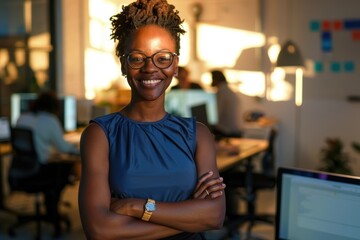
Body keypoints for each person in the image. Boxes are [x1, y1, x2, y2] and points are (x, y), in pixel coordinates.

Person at [78, 0, 226, 239]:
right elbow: (99, 230)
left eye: (163, 58)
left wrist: (135, 207)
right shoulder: (100, 135)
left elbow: (215, 215)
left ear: (175, 65)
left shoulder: (197, 134)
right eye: (137, 58)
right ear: (124, 64)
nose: (150, 68)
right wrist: (192, 217)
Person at [16, 90, 79, 236]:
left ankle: (50, 208)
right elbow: (63, 147)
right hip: (41, 171)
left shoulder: (22, 118)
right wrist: (78, 149)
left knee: (56, 165)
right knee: (63, 169)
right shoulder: (50, 120)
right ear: (54, 107)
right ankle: (52, 211)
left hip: (21, 172)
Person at [211, 70, 243, 139]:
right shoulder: (229, 91)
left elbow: (217, 114)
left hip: (226, 133)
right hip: (236, 131)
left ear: (216, 79)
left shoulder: (221, 92)